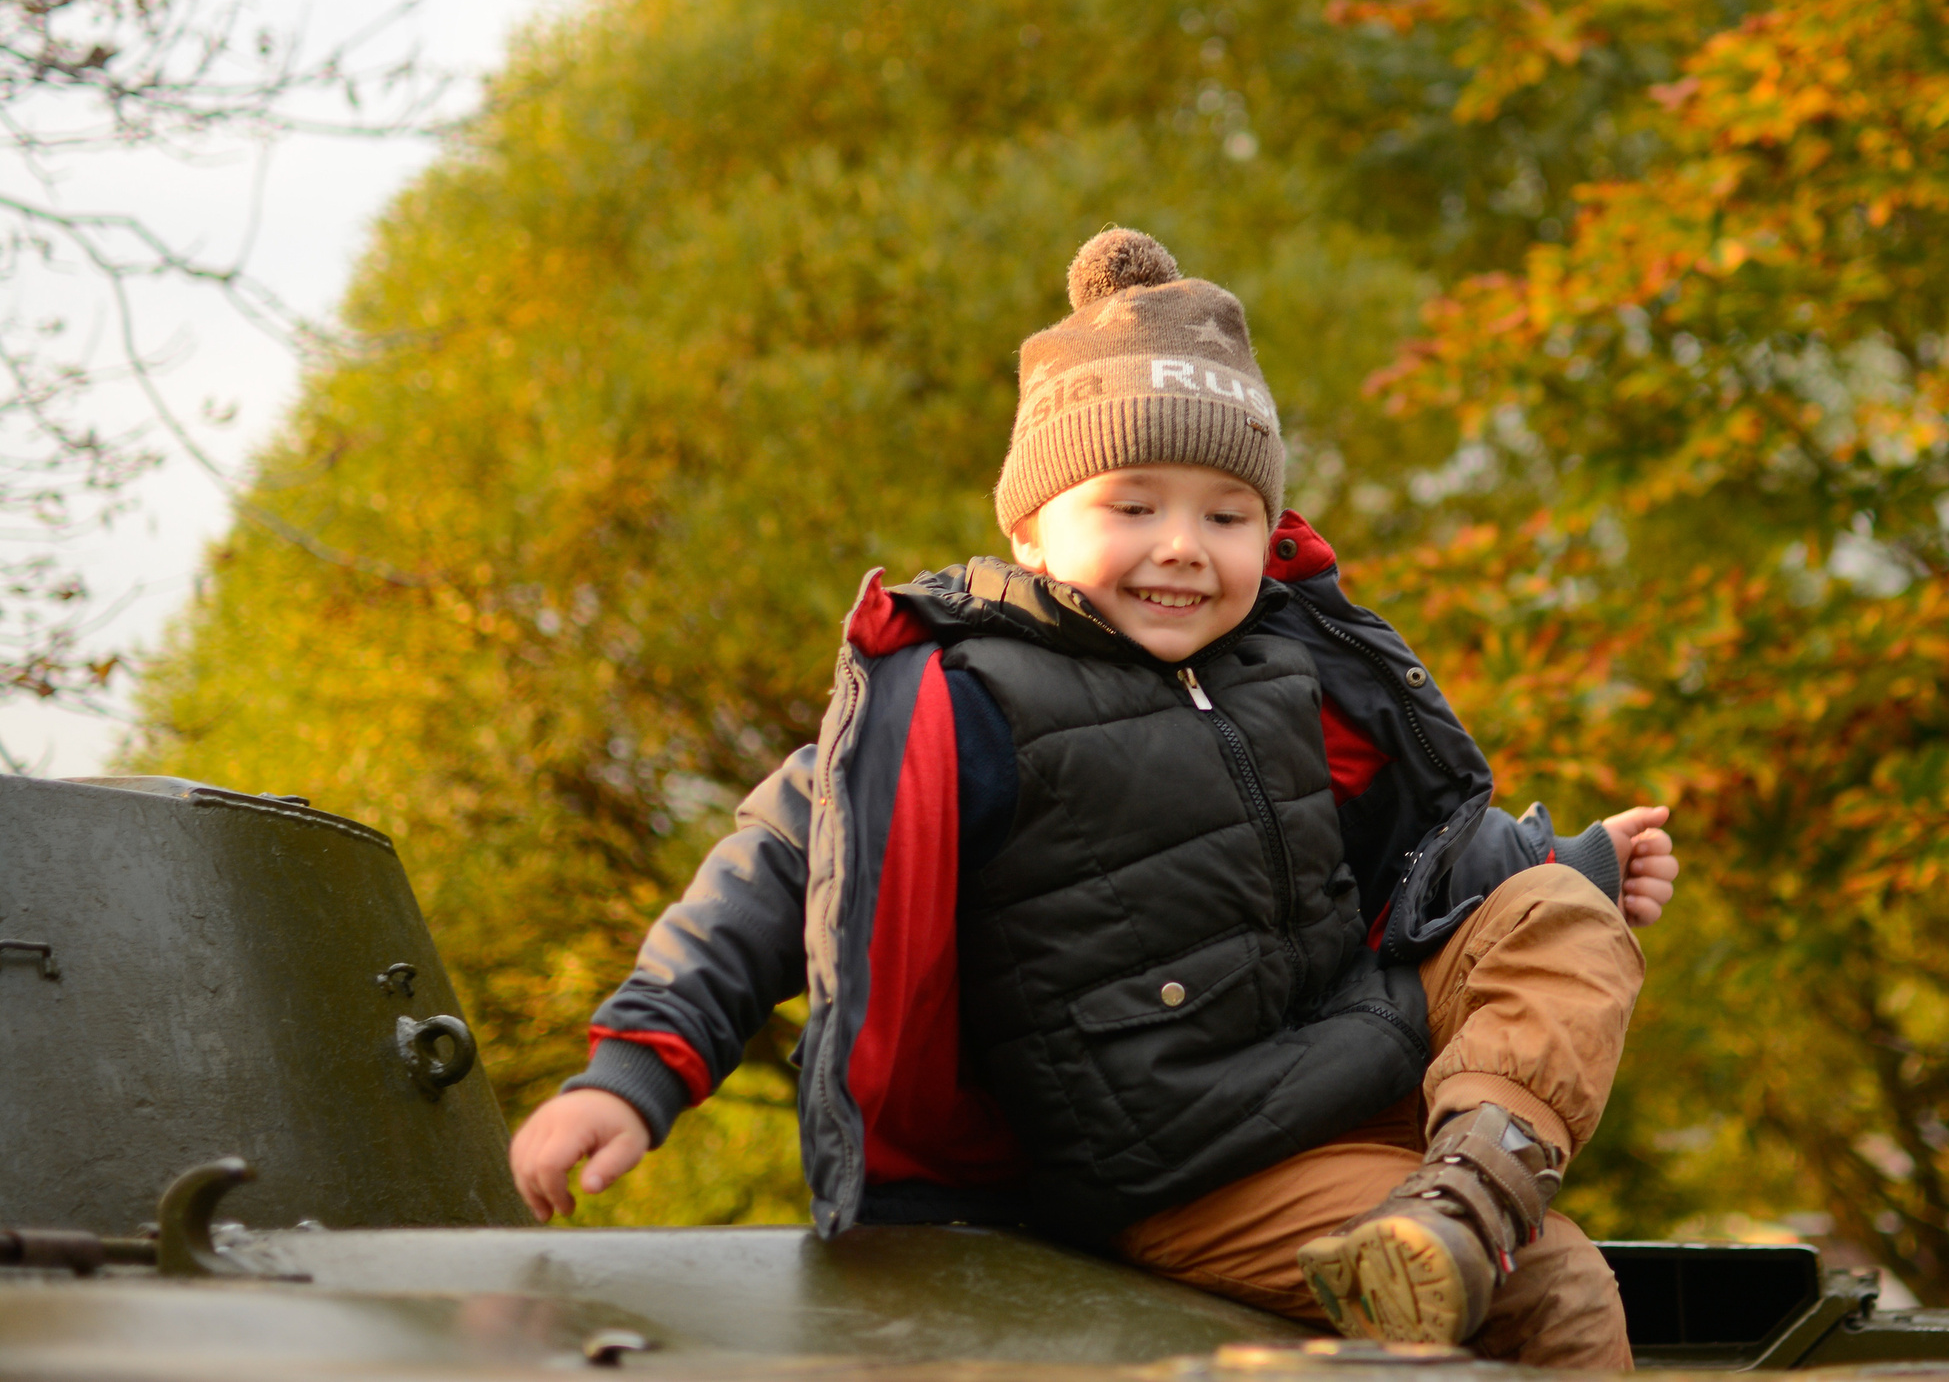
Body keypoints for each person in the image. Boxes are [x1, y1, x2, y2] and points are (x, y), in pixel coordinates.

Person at [508, 229, 1679, 1367]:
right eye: (1131, 507)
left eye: (1225, 516)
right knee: (1560, 1293)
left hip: (1344, 1067)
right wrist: (637, 1071)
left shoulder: (1285, 669)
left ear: (1267, 531)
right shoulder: (968, 700)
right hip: (1183, 1164)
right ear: (1028, 524)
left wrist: (1566, 862)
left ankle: (1464, 1206)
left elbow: (1404, 867)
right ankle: (1457, 1242)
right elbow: (777, 869)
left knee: (1555, 916)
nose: (1181, 547)